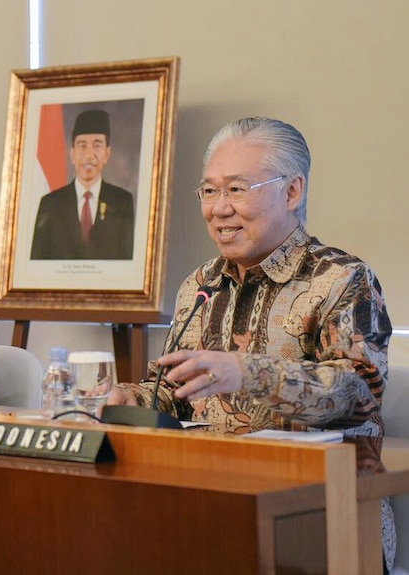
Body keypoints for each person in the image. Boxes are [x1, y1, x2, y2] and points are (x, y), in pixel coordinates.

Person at [107, 116, 394, 570]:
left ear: (292, 192)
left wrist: (247, 372)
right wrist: (125, 397)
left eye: (237, 190)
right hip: (211, 504)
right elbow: (172, 393)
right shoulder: (199, 285)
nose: (218, 208)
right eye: (209, 190)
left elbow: (354, 395)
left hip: (323, 513)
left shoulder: (341, 280)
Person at [30, 109, 135, 260]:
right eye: (82, 145)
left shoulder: (122, 202)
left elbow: (127, 261)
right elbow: (37, 263)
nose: (89, 155)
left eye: (97, 145)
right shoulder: (50, 203)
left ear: (107, 153)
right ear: (72, 154)